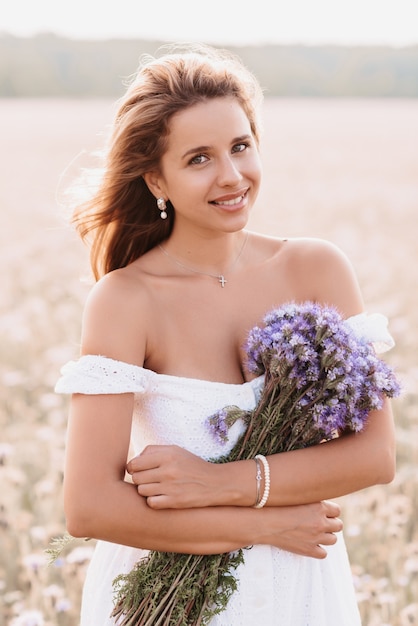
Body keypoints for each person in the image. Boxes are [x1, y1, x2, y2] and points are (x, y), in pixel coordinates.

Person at [55, 43, 396, 625]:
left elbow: (373, 455)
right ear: (154, 179)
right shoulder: (126, 298)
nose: (232, 176)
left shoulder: (316, 269)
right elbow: (89, 508)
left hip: (301, 589)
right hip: (171, 602)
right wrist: (266, 523)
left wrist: (218, 482)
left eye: (240, 146)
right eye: (198, 159)